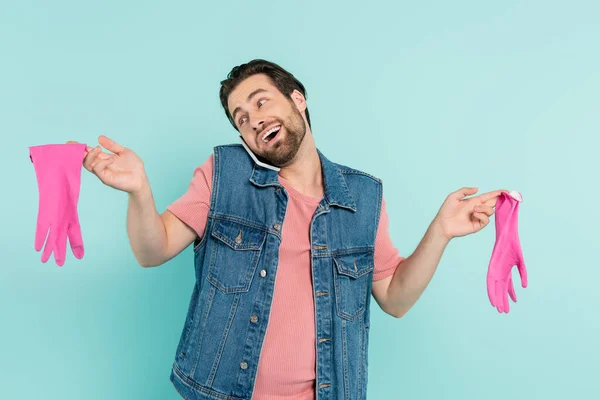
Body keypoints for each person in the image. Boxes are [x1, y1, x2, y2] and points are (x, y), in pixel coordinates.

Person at [68, 59, 505, 400]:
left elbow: (395, 297)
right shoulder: (223, 174)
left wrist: (441, 231)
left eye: (261, 102)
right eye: (241, 118)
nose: (253, 120)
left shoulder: (362, 197)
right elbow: (153, 249)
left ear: (298, 99)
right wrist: (138, 190)